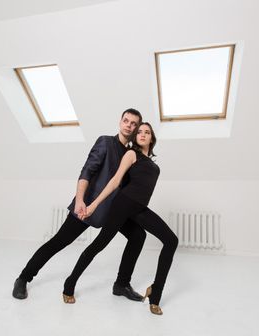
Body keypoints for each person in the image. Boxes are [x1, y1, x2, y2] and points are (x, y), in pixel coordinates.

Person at [12, 109, 147, 302]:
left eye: (134, 124)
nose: (129, 125)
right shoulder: (105, 142)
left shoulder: (131, 154)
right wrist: (80, 200)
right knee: (59, 241)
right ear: (120, 122)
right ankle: (23, 278)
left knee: (138, 235)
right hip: (88, 206)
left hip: (114, 211)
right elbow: (87, 171)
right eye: (126, 121)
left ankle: (122, 284)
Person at [62, 122, 178, 315]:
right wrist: (93, 205)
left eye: (147, 132)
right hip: (122, 204)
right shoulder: (132, 154)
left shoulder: (152, 164)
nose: (142, 134)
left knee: (169, 240)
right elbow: (115, 181)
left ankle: (151, 292)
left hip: (139, 208)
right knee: (99, 244)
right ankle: (70, 282)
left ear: (152, 138)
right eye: (139, 131)